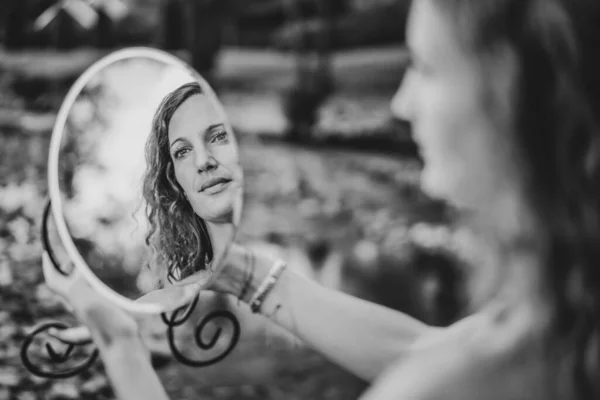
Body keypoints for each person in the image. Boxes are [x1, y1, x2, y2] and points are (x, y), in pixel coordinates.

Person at [44, 0, 600, 398]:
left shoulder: (462, 378)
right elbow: (430, 348)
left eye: (425, 66)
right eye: (182, 153)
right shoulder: (562, 322)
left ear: (519, 93)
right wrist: (239, 271)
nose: (402, 103)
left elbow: (441, 368)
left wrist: (119, 345)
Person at [142, 81, 243, 285]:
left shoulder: (316, 271)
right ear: (176, 184)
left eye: (219, 136)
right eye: (183, 152)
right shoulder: (166, 308)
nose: (203, 161)